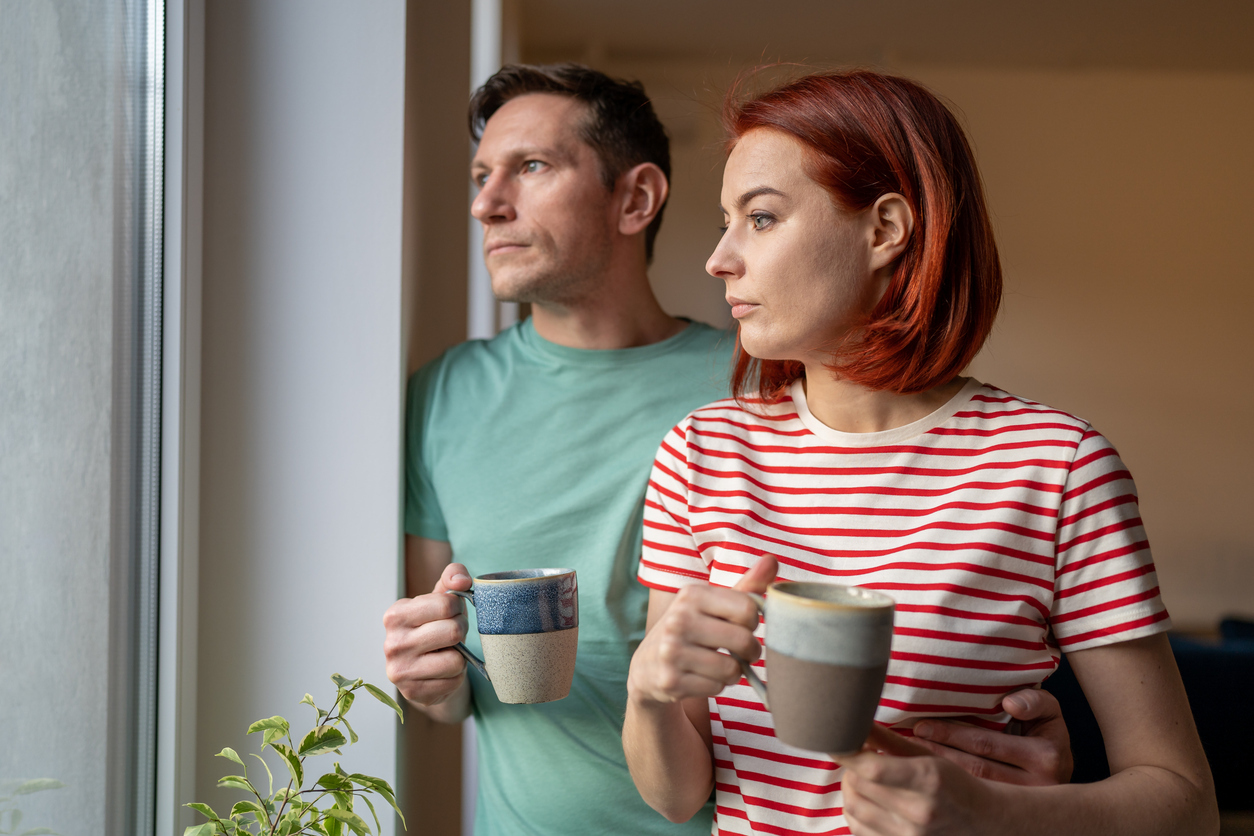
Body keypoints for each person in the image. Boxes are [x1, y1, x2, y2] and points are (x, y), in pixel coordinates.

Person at [383, 64, 1075, 836]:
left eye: (532, 166)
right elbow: (453, 672)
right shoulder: (445, 396)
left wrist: (1021, 799)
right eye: (482, 174)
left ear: (636, 198)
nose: (486, 203)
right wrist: (432, 683)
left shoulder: (768, 388)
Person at [622, 70, 1220, 836]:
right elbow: (675, 794)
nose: (721, 260)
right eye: (723, 223)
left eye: (762, 219)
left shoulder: (1058, 467)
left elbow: (1185, 800)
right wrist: (648, 692)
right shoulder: (700, 453)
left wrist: (997, 815)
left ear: (885, 230)